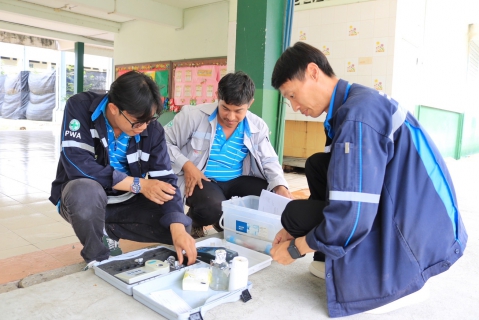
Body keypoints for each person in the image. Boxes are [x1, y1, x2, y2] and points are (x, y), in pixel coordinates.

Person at [269, 42, 468, 317]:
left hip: (411, 235)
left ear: (313, 72)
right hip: (408, 209)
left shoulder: (357, 117)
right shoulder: (353, 102)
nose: (293, 106)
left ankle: (392, 279)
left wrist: (296, 247)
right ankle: (329, 255)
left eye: (292, 95)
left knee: (294, 214)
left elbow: (352, 214)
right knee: (317, 165)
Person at [49, 71, 197, 268]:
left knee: (179, 224)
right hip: (85, 197)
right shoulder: (80, 107)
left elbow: (165, 179)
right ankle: (98, 258)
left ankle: (108, 231)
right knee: (85, 193)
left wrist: (178, 226)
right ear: (113, 108)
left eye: (150, 119)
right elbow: (77, 164)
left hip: (126, 200)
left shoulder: (151, 129)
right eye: (137, 121)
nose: (144, 127)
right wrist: (138, 184)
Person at [165, 71, 292, 238]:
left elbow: (269, 159)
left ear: (250, 103)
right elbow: (163, 143)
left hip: (237, 180)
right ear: (218, 96)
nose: (231, 117)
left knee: (268, 197)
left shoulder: (256, 126)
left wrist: (280, 185)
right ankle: (197, 220)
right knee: (213, 207)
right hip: (202, 179)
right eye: (225, 108)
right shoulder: (192, 116)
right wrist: (187, 165)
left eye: (238, 111)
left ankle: (225, 221)